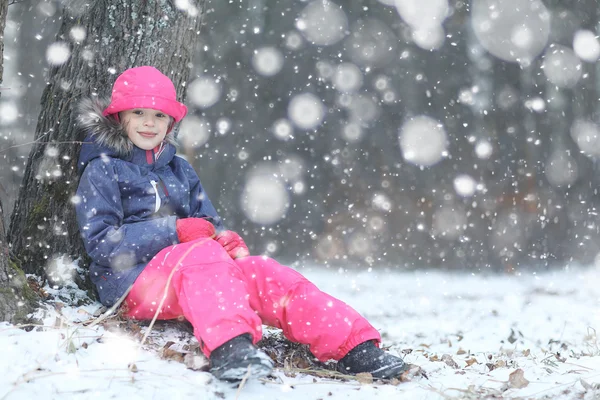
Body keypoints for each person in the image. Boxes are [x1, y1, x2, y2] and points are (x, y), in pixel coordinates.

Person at [75, 66, 407, 382]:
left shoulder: (179, 169)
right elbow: (102, 241)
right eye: (138, 113)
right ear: (118, 117)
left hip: (192, 274)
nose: (149, 123)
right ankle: (231, 348)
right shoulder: (104, 169)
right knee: (201, 255)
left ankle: (355, 345)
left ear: (171, 121)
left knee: (262, 271)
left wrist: (223, 239)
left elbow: (206, 222)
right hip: (132, 282)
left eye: (159, 115)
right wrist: (173, 231)